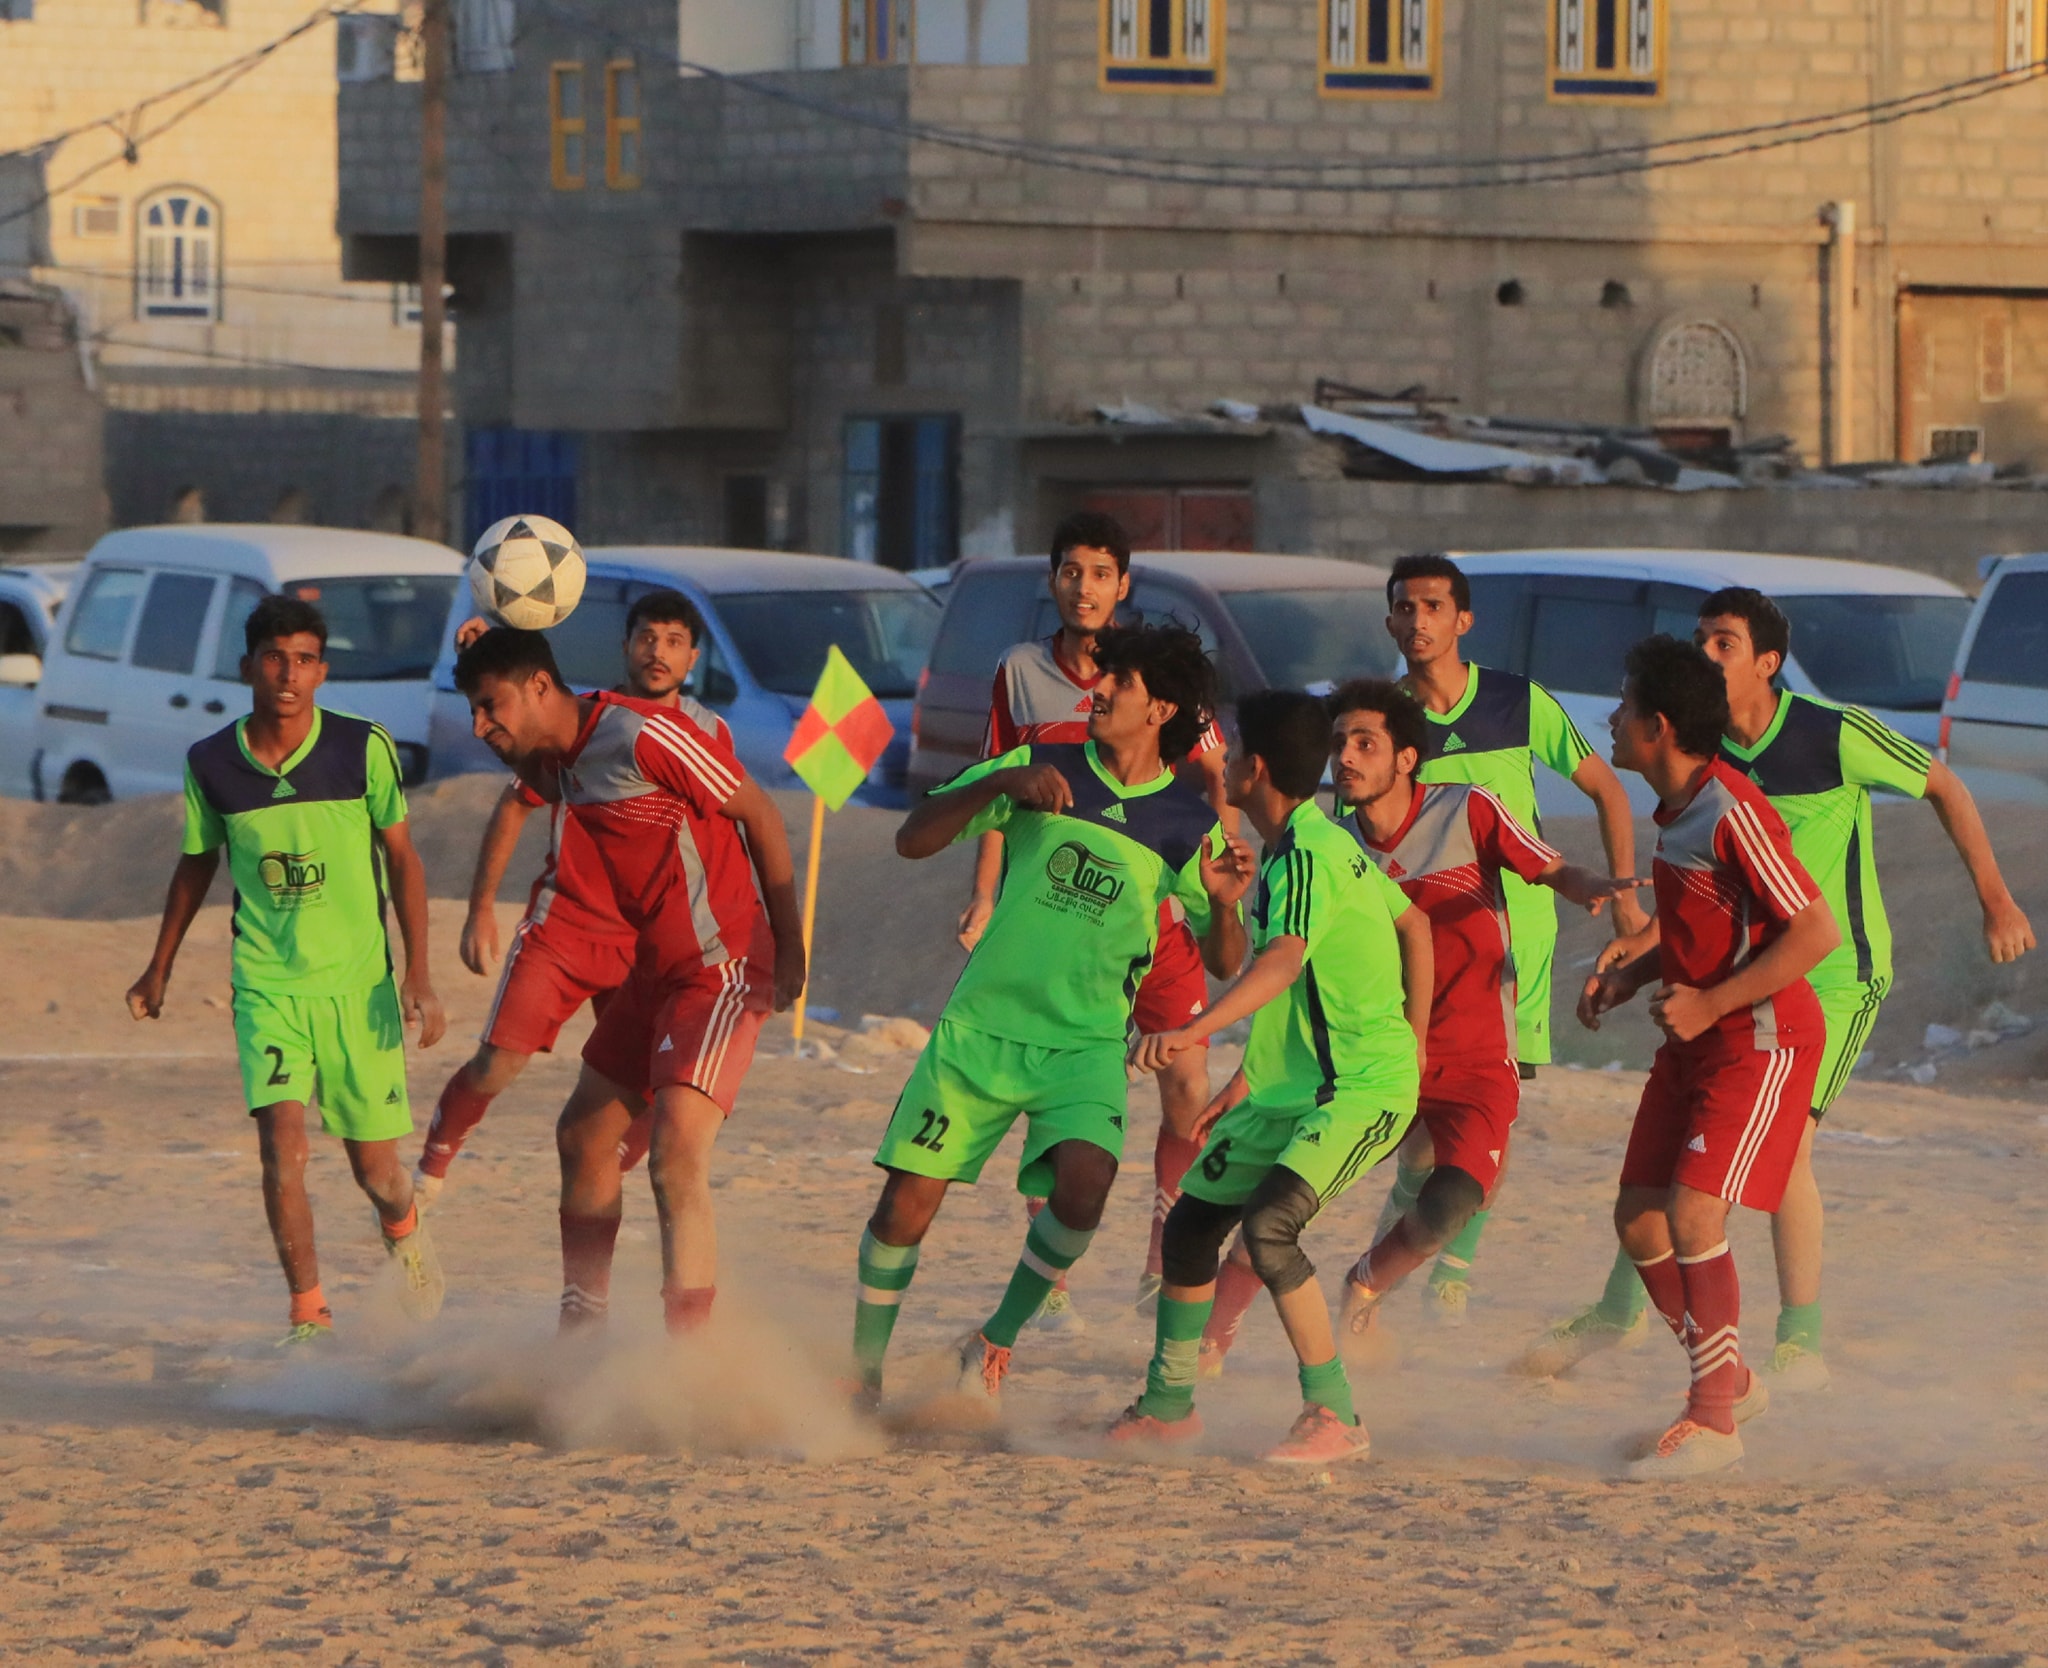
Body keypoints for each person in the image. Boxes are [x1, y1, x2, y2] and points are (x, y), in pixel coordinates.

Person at [1520, 588, 2035, 1386]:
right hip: (1738, 977)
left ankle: (1800, 1340)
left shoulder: (1831, 732)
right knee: (1688, 1156)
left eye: (1723, 643)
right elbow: (1716, 890)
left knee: (1781, 1147)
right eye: (1700, 641)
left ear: (1768, 663)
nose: (1707, 654)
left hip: (1833, 974)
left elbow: (1945, 787)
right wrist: (1643, 954)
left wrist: (1996, 900)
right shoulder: (1705, 763)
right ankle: (1624, 1311)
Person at [1192, 680, 1643, 1372]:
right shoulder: (1324, 846)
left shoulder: (1467, 810)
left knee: (1454, 1201)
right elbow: (1289, 978)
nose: (1345, 756)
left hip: (1473, 1057)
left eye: (1364, 743)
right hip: (1365, 1059)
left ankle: (1366, 1280)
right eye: (1339, 742)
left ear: (1407, 758)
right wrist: (1250, 1074)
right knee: (1277, 1205)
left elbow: (1548, 866)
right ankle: (1208, 1347)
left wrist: (1590, 886)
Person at [852, 623, 1236, 1415]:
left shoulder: (1188, 824)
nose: (1094, 693)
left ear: (1159, 708)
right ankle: (860, 1374)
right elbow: (910, 839)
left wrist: (1227, 904)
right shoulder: (1038, 765)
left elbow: (1227, 954)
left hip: (1085, 1044)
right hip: (979, 1033)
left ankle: (994, 1340)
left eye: (1116, 685)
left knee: (1086, 1187)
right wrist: (994, 791)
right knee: (905, 1207)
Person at [1107, 691, 1431, 1465]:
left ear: (1253, 769)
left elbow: (1283, 962)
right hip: (1293, 1091)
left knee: (1270, 1227)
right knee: (1189, 1228)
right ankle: (1168, 1407)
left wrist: (1191, 1031)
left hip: (1359, 1090)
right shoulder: (1292, 846)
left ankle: (1336, 1414)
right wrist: (1248, 1078)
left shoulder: (1312, 852)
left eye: (1228, 749)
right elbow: (1408, 923)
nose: (1215, 757)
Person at [454, 627, 804, 1334]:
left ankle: (688, 1369)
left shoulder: (644, 737)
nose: (479, 725)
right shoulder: (562, 758)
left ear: (540, 688)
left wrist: (792, 947)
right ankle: (581, 1335)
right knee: (583, 1137)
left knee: (675, 1154)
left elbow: (761, 814)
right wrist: (495, 629)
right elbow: (530, 788)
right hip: (656, 973)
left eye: (491, 706)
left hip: (723, 963)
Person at [125, 596, 448, 1345]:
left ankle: (405, 1226)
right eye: (274, 657)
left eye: (304, 659)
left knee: (376, 1174)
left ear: (323, 671)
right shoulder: (211, 762)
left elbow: (403, 861)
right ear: (248, 666)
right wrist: (158, 968)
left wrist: (419, 975)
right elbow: (195, 865)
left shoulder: (363, 747)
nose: (288, 673)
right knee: (283, 1149)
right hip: (268, 985)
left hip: (358, 984)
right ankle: (309, 1317)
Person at [958, 510, 1231, 1323]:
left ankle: (1162, 1254)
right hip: (1057, 920)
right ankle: (1053, 1283)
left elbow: (1215, 780)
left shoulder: (1157, 673)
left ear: (1123, 585)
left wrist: (1215, 869)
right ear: (1053, 581)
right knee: (1052, 1085)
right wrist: (982, 895)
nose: (1085, 588)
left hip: (1157, 923)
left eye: (1101, 573)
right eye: (1071, 572)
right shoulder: (1018, 673)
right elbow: (994, 792)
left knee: (1186, 1082)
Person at [1579, 636, 1840, 1478]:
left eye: (1621, 707)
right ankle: (1724, 1376)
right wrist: (1640, 976)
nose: (1609, 720)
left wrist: (1712, 1002)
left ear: (1657, 728)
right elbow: (1714, 933)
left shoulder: (1734, 808)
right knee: (1641, 1220)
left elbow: (1814, 931)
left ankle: (1713, 1420)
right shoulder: (1676, 808)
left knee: (1695, 1218)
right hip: (1695, 1037)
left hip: (1759, 1040)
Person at [1377, 553, 1648, 1319]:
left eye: (1434, 606)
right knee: (1416, 1119)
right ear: (1391, 620)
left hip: (1511, 949)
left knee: (1492, 1105)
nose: (1418, 620)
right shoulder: (1386, 721)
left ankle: (1453, 1269)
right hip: (1418, 946)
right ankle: (1414, 1215)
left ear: (1463, 620)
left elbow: (1605, 789)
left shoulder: (1517, 702)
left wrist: (1626, 909)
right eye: (1404, 607)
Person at [415, 589, 727, 1203]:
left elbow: (726, 825)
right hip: (566, 925)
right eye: (645, 636)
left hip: (648, 945)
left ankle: (602, 1177)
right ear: (625, 645)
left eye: (672, 641)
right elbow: (516, 799)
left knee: (647, 1093)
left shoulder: (708, 731)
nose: (656, 652)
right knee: (495, 1066)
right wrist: (481, 908)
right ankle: (428, 1175)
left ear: (693, 657)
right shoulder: (586, 720)